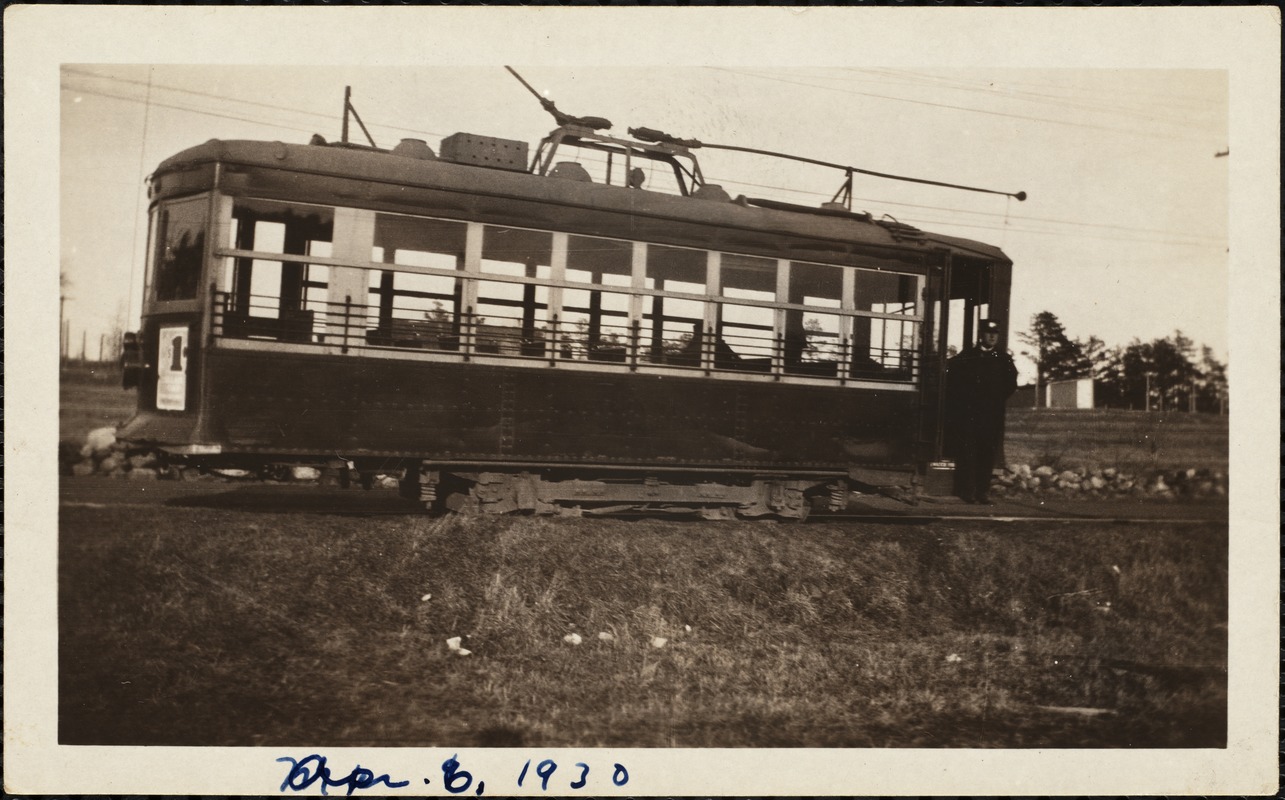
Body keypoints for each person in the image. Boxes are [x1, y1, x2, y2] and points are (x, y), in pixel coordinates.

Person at [944, 319, 1018, 504]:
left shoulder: (1004, 359)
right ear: (981, 335)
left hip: (991, 416)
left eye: (995, 333)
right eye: (988, 332)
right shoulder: (967, 356)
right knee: (968, 452)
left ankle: (982, 492)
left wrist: (994, 399)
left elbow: (1011, 384)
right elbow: (952, 378)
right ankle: (967, 491)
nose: (992, 336)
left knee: (987, 452)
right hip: (969, 415)